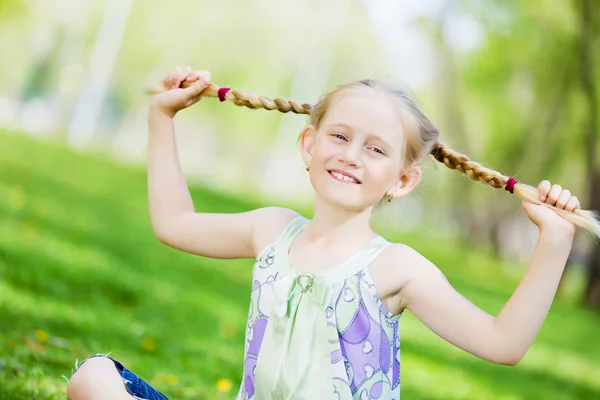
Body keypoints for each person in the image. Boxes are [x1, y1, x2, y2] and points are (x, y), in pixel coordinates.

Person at [67, 66, 598, 400]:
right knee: (93, 378)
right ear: (309, 145)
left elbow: (503, 344)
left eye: (376, 148)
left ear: (403, 180)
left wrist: (553, 243)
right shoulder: (271, 230)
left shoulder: (395, 267)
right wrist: (163, 119)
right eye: (340, 136)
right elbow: (173, 224)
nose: (350, 155)